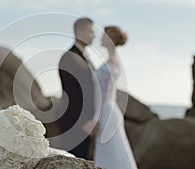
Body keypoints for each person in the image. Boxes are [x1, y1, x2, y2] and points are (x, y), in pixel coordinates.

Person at [93, 26, 138, 169]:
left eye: (104, 35)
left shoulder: (111, 61)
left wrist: (95, 119)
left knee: (109, 152)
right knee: (114, 152)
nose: (100, 37)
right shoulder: (113, 59)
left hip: (106, 111)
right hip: (110, 110)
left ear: (110, 38)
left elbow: (104, 94)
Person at [57, 17, 97, 160]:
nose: (94, 35)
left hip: (84, 124)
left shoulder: (83, 57)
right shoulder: (70, 58)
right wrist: (84, 122)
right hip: (75, 125)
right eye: (91, 32)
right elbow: (73, 94)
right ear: (80, 32)